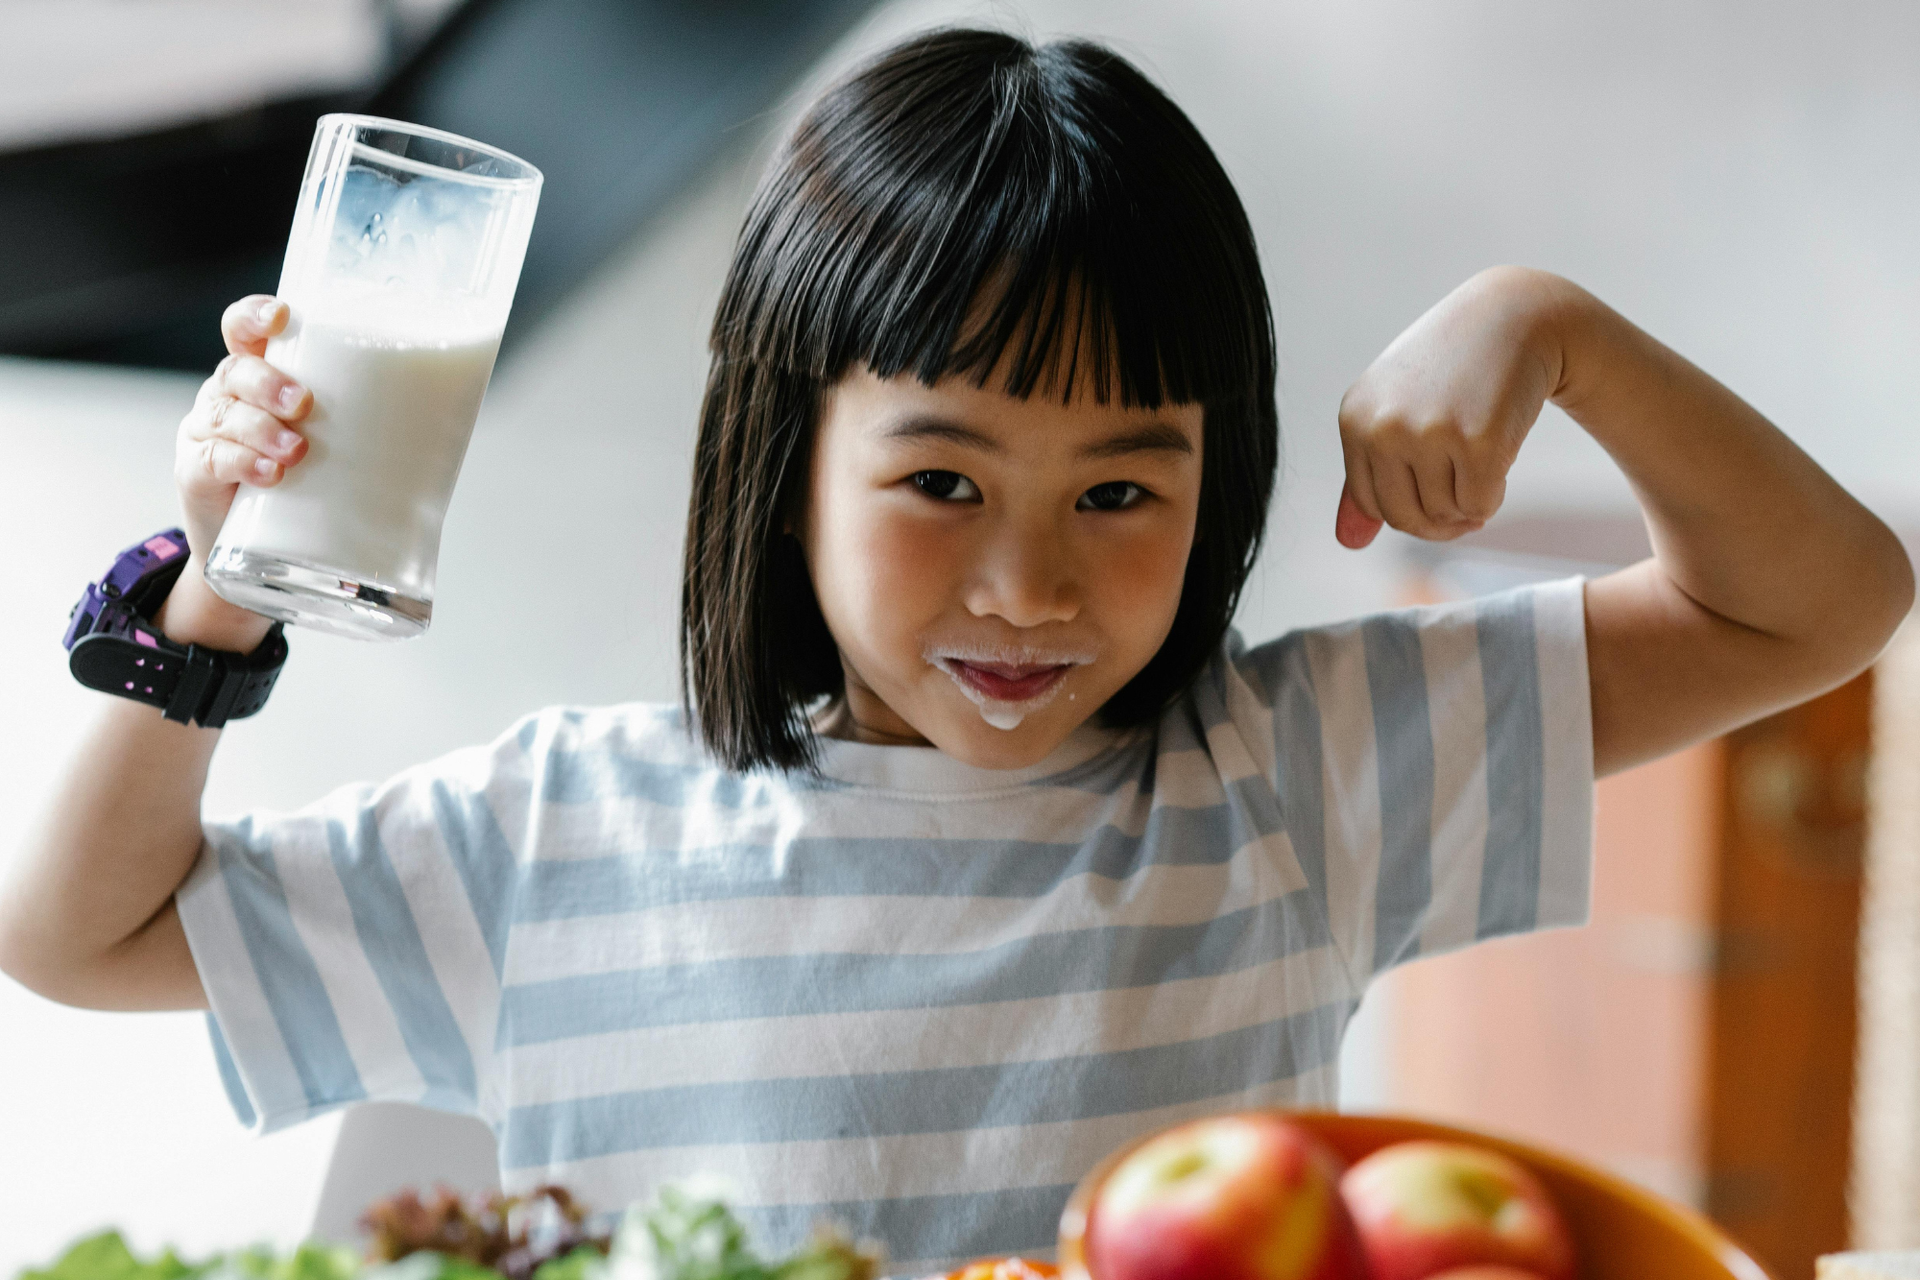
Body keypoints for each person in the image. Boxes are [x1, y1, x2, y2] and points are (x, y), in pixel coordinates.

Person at [1, 26, 1910, 1275]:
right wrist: (225, 586)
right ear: (784, 462)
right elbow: (76, 934)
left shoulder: (1297, 772)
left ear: (1218, 484)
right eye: (939, 481)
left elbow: (1821, 600)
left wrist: (1551, 323)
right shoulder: (563, 825)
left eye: (1117, 495)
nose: (1027, 589)